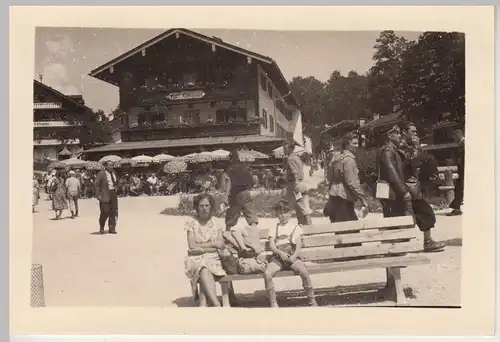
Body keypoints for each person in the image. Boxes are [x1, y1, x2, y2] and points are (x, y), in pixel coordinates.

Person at [379, 124, 445, 252]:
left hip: (408, 187)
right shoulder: (390, 149)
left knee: (422, 214)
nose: (415, 134)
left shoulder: (399, 146)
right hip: (401, 188)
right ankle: (394, 249)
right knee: (399, 219)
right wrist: (403, 190)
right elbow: (394, 170)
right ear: (390, 135)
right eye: (396, 133)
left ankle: (425, 242)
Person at [264, 200, 317, 307]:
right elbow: (272, 246)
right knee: (267, 274)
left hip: (292, 256)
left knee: (304, 272)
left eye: (285, 212)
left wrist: (293, 256)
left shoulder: (295, 227)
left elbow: (298, 245)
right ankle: (273, 303)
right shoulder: (274, 228)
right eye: (280, 212)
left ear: (290, 213)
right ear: (276, 214)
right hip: (278, 258)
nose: (283, 215)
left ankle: (312, 300)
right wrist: (279, 253)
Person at [184, 193, 226, 307]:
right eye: (201, 205)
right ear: (197, 207)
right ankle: (216, 303)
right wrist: (213, 244)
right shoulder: (191, 223)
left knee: (204, 268)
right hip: (195, 258)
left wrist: (202, 245)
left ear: (211, 206)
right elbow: (192, 246)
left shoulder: (216, 222)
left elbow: (221, 244)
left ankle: (205, 304)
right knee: (203, 265)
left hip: (214, 258)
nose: (204, 208)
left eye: (207, 205)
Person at [223, 149, 261, 257]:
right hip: (246, 192)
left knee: (231, 217)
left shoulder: (229, 169)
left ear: (230, 158)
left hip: (235, 194)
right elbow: (252, 180)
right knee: (251, 217)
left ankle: (229, 235)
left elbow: (228, 183)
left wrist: (226, 196)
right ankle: (256, 243)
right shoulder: (245, 167)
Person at [325, 132, 368, 223]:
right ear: (347, 145)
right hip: (343, 197)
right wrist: (363, 199)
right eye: (354, 143)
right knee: (350, 230)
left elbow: (329, 177)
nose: (357, 146)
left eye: (357, 143)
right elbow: (352, 183)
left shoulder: (336, 157)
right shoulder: (349, 160)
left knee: (339, 228)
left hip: (334, 196)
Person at [282, 139, 312, 225]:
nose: (284, 151)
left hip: (295, 183)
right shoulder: (297, 157)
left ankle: (308, 226)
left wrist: (296, 184)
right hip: (302, 183)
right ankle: (304, 226)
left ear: (290, 149)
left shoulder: (290, 158)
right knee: (303, 205)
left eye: (285, 149)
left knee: (301, 206)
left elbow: (294, 172)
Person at [95, 161, 119, 234]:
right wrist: (98, 195)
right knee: (105, 211)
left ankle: (112, 228)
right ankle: (102, 226)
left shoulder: (114, 173)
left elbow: (117, 181)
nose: (111, 166)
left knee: (114, 211)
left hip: (113, 193)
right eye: (109, 165)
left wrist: (117, 187)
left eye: (112, 165)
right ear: (105, 166)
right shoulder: (101, 173)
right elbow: (96, 184)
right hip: (105, 194)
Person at [447, 129, 465, 216]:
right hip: (462, 171)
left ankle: (456, 208)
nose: (453, 139)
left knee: (459, 189)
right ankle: (456, 208)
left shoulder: (464, 144)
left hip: (464, 170)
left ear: (458, 135)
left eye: (454, 137)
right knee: (459, 189)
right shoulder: (461, 144)